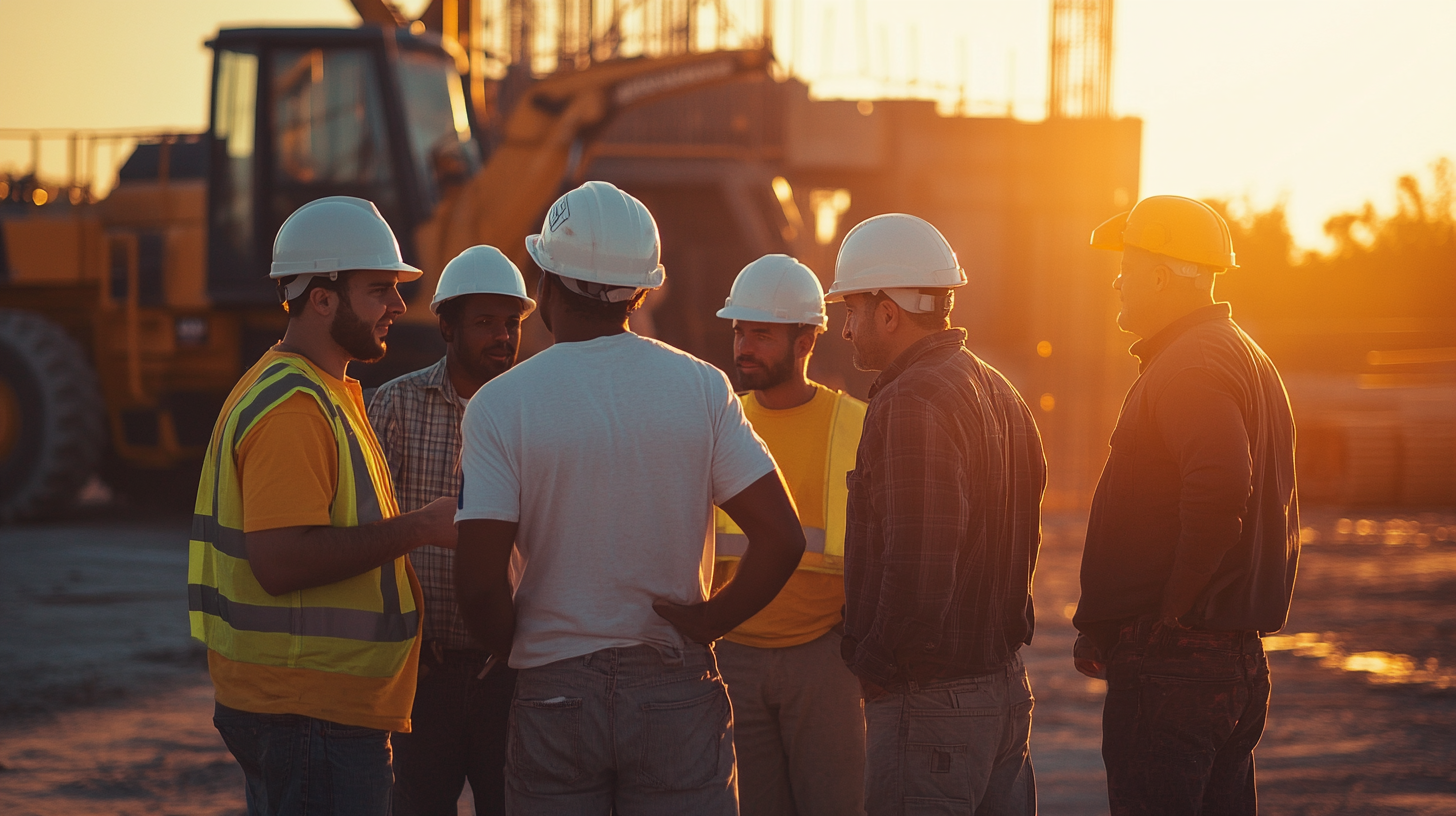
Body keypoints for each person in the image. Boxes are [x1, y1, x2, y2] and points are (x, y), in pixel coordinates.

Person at [451, 180, 808, 816]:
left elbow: (479, 583)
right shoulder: (702, 388)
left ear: (546, 283)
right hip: (674, 679)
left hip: (554, 690)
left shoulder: (500, 404)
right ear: (641, 292)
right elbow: (782, 537)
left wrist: (522, 653)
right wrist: (711, 622)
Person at [188, 196, 457, 816]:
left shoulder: (320, 391)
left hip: (307, 708)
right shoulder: (294, 407)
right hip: (307, 713)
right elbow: (281, 560)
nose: (397, 306)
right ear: (322, 298)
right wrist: (418, 528)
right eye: (379, 290)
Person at [1073, 195, 1300, 815]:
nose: (1117, 280)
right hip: (1224, 657)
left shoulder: (1192, 365)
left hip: (1180, 664)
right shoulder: (1234, 353)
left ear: (1160, 275)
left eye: (1127, 264)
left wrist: (1169, 614)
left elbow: (1221, 486)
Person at [828, 213, 1046, 816]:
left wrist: (875, 664)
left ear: (889, 312)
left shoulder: (912, 400)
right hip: (1001, 689)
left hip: (932, 703)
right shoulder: (999, 392)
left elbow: (921, 567)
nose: (845, 331)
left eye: (852, 311)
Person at [368, 245, 535, 816]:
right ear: (445, 325)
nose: (503, 337)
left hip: (512, 676)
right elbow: (368, 539)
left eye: (511, 323)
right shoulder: (394, 407)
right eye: (485, 322)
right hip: (422, 675)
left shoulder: (536, 412)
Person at [711, 255, 869, 816]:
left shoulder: (858, 425)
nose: (744, 346)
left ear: (806, 341)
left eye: (762, 333)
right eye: (739, 330)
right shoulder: (720, 422)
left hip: (824, 659)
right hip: (732, 658)